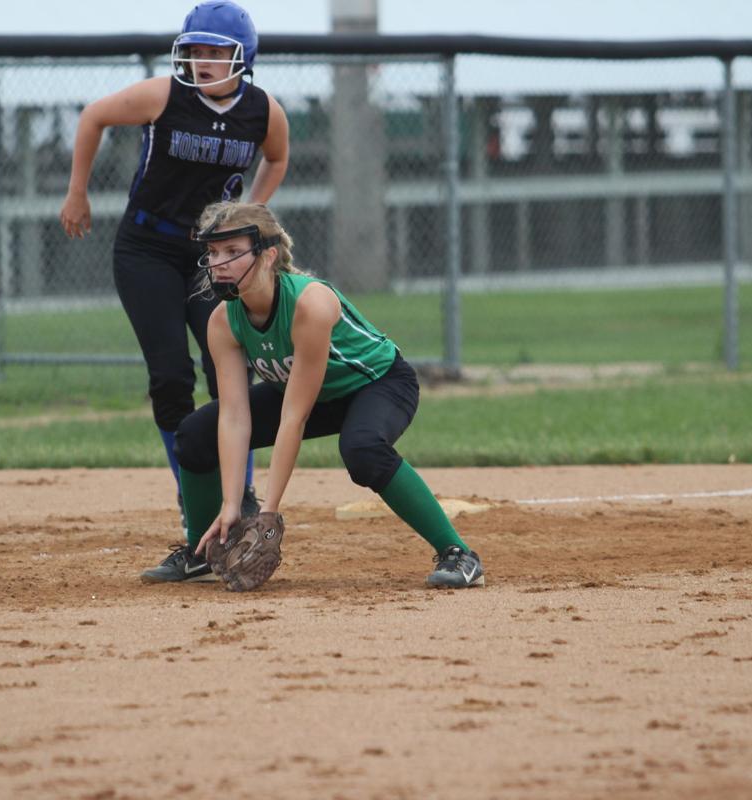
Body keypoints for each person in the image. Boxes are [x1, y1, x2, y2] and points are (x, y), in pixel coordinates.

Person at [138, 201, 485, 589]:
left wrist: (268, 515)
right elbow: (234, 417)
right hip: (306, 392)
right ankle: (201, 551)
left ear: (268, 256)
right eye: (214, 252)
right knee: (195, 434)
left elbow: (294, 418)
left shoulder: (310, 303)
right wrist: (232, 504)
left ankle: (459, 555)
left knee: (363, 450)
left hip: (377, 383)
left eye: (233, 252)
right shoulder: (223, 319)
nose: (219, 263)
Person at [59, 1, 290, 522]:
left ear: (242, 56)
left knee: (226, 369)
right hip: (148, 249)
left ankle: (242, 497)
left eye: (215, 51)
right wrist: (78, 192)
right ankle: (194, 494)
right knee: (169, 376)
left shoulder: (262, 110)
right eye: (195, 50)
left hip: (212, 257)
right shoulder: (165, 95)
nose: (202, 61)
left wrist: (251, 211)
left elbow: (277, 156)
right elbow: (93, 116)